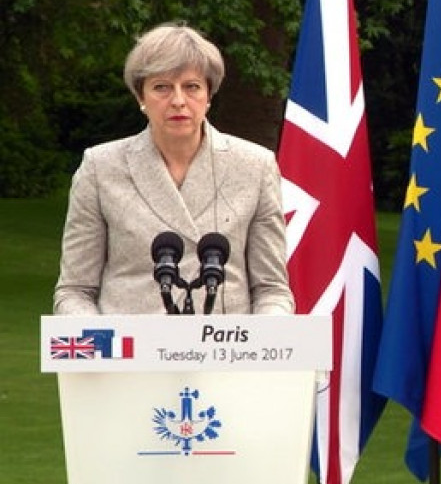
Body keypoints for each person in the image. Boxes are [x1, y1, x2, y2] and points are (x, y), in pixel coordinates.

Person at [53, 22, 294, 315]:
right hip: (128, 355)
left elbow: (271, 289)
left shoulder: (256, 166)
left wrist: (260, 342)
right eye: (162, 88)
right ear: (141, 97)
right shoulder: (100, 168)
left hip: (226, 354)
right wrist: (101, 343)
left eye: (192, 87)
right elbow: (75, 291)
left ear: (209, 95)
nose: (178, 101)